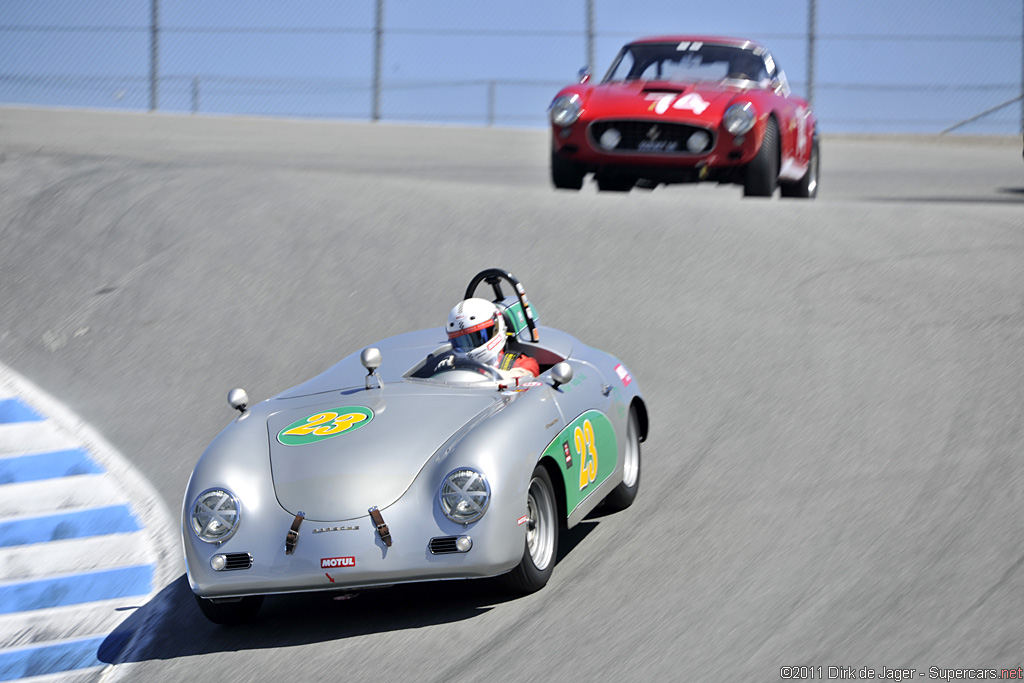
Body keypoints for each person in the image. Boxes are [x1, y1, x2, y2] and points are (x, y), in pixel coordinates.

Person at [446, 298, 539, 379]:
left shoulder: (524, 363)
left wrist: (488, 374)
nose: (470, 347)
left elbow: (526, 376)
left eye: (478, 337)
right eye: (461, 341)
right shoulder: (451, 362)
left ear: (496, 328)